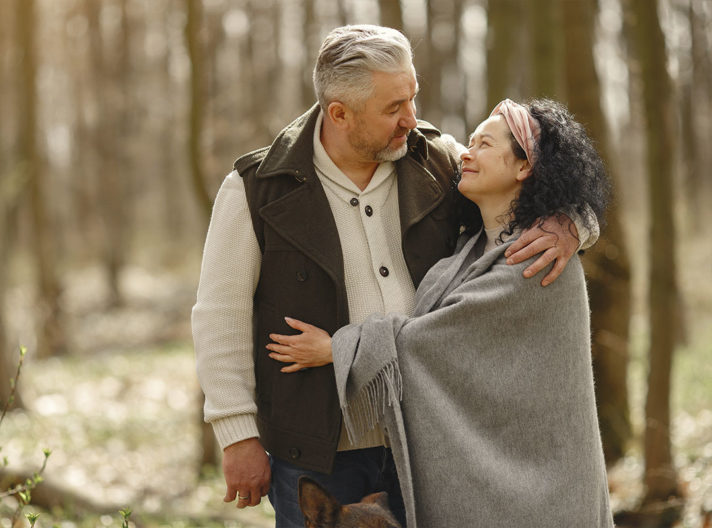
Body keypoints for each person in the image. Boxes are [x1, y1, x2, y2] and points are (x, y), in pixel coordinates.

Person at [191, 25, 596, 527]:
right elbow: (220, 316)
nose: (411, 118)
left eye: (412, 97)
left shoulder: (438, 160)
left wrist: (573, 222)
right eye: (392, 108)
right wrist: (238, 435)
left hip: (430, 441)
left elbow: (536, 179)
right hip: (317, 450)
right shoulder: (257, 189)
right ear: (339, 113)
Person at [266, 99, 614, 527]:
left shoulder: (540, 258)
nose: (466, 153)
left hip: (545, 494)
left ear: (525, 168)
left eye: (484, 144)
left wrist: (339, 349)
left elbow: (434, 341)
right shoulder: (466, 252)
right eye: (469, 142)